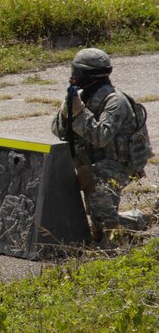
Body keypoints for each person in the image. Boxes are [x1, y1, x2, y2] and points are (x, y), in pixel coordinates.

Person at [52, 48, 153, 242]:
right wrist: (65, 115)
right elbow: (58, 132)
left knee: (103, 215)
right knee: (97, 221)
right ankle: (131, 222)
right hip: (95, 163)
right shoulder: (83, 96)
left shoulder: (115, 101)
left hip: (120, 165)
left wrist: (79, 112)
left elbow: (100, 137)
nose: (74, 77)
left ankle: (123, 229)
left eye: (78, 72)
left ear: (90, 75)